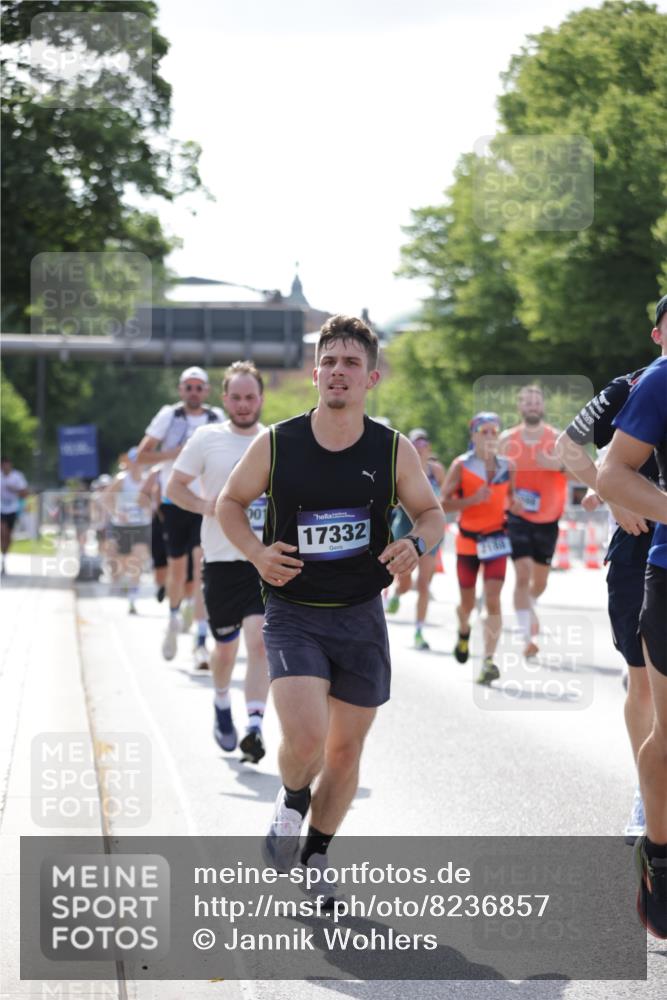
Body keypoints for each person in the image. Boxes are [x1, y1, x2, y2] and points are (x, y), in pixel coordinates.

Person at [217, 314, 445, 893]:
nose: (338, 372)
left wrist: (415, 544)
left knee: (344, 753)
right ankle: (293, 798)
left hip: (361, 614)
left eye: (351, 363)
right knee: (308, 738)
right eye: (330, 361)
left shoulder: (391, 449)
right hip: (294, 612)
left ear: (372, 378)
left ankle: (315, 856)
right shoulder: (279, 442)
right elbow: (229, 502)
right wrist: (255, 553)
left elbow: (433, 514)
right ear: (315, 372)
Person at [556, 305, 667, 845]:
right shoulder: (630, 386)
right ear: (656, 333)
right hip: (640, 546)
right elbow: (566, 445)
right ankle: (647, 798)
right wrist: (611, 500)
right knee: (642, 678)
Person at [596, 295, 667, 940]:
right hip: (653, 558)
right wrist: (616, 499)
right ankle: (658, 830)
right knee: (645, 690)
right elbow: (593, 460)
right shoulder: (646, 381)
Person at [167, 361, 270, 763]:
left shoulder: (274, 440)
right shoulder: (207, 438)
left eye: (251, 397)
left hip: (262, 561)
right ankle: (222, 701)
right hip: (222, 561)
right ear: (224, 399)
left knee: (260, 642)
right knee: (224, 651)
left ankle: (256, 727)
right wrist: (205, 505)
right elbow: (176, 487)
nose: (244, 405)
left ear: (261, 398)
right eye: (237, 398)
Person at [136, 367, 223, 665]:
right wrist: (173, 453)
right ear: (180, 390)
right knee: (177, 570)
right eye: (189, 387)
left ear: (207, 391)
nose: (194, 392)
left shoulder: (216, 419)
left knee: (201, 570)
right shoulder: (168, 417)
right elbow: (141, 454)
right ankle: (173, 617)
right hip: (174, 502)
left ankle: (200, 641)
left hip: (206, 502)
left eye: (199, 387)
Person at [442, 413, 516, 685]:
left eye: (493, 432)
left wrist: (518, 505)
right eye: (483, 431)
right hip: (468, 542)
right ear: (473, 435)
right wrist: (471, 500)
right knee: (467, 604)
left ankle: (488, 661)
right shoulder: (461, 466)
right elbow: (442, 504)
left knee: (494, 599)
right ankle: (463, 631)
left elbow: (512, 499)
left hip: (496, 540)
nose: (489, 437)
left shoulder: (508, 466)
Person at [499, 385, 568, 659]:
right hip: (516, 516)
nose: (531, 406)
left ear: (542, 407)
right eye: (526, 402)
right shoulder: (506, 440)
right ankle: (528, 636)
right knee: (523, 575)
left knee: (539, 583)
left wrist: (558, 465)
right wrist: (507, 499)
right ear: (519, 407)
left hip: (549, 518)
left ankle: (529, 604)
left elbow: (582, 473)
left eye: (536, 402)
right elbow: (494, 478)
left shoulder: (559, 439)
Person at [385, 428, 446, 650]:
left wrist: (433, 505)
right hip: (405, 526)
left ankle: (419, 631)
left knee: (423, 584)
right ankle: (396, 594)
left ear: (429, 448)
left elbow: (444, 498)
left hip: (429, 530)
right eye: (416, 445)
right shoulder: (402, 467)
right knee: (405, 581)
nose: (420, 449)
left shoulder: (436, 470)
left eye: (424, 445)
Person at [103, 448, 153, 614]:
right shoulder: (122, 479)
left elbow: (155, 499)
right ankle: (124, 582)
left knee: (137, 560)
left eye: (140, 460)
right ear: (128, 462)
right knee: (123, 562)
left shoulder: (148, 480)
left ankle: (133, 599)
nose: (137, 464)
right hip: (121, 526)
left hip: (141, 525)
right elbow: (106, 497)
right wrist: (116, 513)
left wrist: (150, 509)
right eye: (134, 460)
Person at [0, 458, 28, 575]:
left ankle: (5, 557)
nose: (6, 467)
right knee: (2, 532)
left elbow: (25, 494)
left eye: (8, 465)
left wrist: (14, 489)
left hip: (12, 509)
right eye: (4, 465)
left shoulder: (17, 476)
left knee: (8, 536)